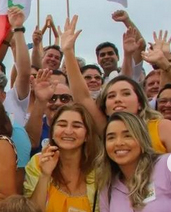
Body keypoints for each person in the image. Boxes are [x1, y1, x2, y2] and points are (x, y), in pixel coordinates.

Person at [63, 15, 171, 153]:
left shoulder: (161, 127)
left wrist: (166, 65)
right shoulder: (106, 129)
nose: (118, 99)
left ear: (140, 102)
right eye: (111, 96)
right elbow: (83, 97)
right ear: (105, 108)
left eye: (126, 93)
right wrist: (68, 52)